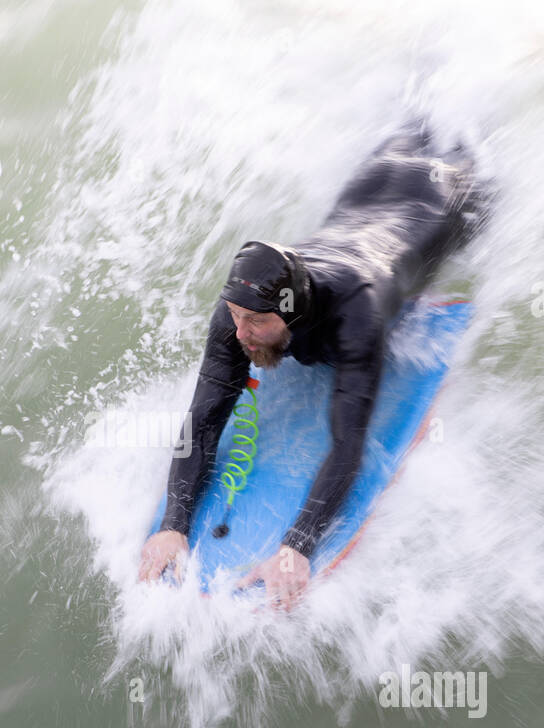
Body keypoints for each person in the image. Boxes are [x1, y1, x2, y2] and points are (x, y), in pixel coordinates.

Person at [138, 121, 489, 609]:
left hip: (445, 199)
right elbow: (203, 421)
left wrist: (297, 546)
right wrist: (173, 526)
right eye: (237, 318)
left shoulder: (357, 317)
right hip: (376, 176)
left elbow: (349, 443)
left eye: (256, 323)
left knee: (472, 140)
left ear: (294, 313)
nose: (240, 334)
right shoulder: (240, 310)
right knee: (421, 117)